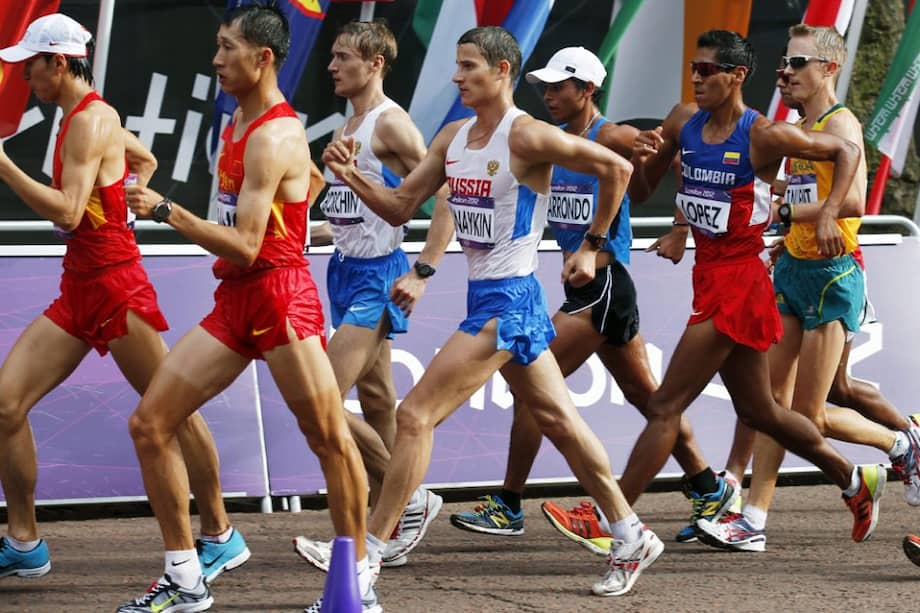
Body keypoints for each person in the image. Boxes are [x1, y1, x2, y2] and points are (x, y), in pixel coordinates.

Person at [325, 26, 662, 597]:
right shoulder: (453, 137)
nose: (457, 77)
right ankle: (630, 533)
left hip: (507, 302)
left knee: (413, 417)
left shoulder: (526, 135)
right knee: (559, 421)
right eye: (457, 66)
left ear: (501, 71)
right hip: (495, 299)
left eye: (469, 66)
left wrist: (591, 245)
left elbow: (619, 169)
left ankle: (369, 559)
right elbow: (402, 205)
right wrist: (352, 175)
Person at [116, 6, 375, 612]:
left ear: (262, 58)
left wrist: (163, 211)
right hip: (236, 299)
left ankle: (357, 576)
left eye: (226, 48)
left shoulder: (275, 133)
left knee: (330, 439)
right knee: (150, 424)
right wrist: (298, 217)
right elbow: (308, 182)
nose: (214, 59)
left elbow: (246, 243)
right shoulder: (238, 118)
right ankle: (184, 577)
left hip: (279, 299)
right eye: (216, 46)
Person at [445, 46, 730, 552]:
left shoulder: (609, 135)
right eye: (546, 87)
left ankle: (509, 505)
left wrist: (674, 214)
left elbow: (661, 152)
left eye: (561, 86)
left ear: (588, 90)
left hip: (604, 283)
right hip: (586, 286)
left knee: (536, 382)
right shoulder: (551, 140)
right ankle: (710, 488)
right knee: (651, 399)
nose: (550, 95)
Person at [616, 29, 889, 550]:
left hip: (742, 280)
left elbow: (845, 152)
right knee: (761, 412)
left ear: (737, 76)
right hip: (709, 275)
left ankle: (614, 523)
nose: (696, 79)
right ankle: (854, 481)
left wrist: (829, 211)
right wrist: (645, 163)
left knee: (665, 405)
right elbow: (652, 188)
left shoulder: (762, 132)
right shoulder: (680, 120)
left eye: (707, 71)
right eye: (693, 70)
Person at [0, 12, 248, 585]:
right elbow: (142, 161)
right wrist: (122, 196)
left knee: (171, 410)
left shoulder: (89, 121)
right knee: (7, 405)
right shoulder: (83, 118)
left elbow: (65, 210)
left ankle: (219, 533)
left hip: (114, 284)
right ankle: (24, 541)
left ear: (57, 63)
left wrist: (5, 165)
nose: (25, 79)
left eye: (30, 67)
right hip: (80, 285)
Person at [695, 25, 920, 553]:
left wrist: (792, 212)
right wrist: (783, 228)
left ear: (829, 69)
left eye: (799, 63)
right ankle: (752, 519)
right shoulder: (801, 126)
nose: (786, 73)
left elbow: (857, 202)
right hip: (793, 270)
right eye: (784, 63)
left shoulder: (841, 123)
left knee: (809, 412)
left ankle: (899, 446)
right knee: (774, 404)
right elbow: (797, 192)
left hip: (832, 277)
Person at [293, 20, 454, 571]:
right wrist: (298, 233)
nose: (332, 66)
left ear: (376, 63)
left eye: (343, 57)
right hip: (345, 269)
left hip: (380, 278)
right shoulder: (352, 121)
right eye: (333, 57)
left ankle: (394, 507)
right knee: (380, 401)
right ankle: (399, 512)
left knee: (320, 402)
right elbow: (352, 214)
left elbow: (447, 195)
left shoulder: (392, 124)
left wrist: (423, 270)